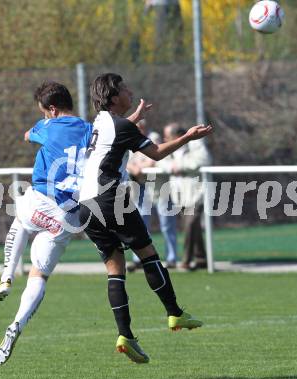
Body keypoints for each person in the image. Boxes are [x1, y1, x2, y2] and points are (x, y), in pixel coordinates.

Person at [0, 81, 147, 366]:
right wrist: (133, 118)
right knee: (39, 275)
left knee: (20, 221)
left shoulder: (48, 126)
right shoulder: (91, 129)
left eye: (44, 111)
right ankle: (17, 323)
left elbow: (28, 135)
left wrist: (38, 130)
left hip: (42, 199)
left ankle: (6, 276)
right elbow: (113, 134)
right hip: (69, 216)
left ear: (51, 109)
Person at [78, 73, 213, 364]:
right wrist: (188, 136)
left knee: (115, 269)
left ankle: (125, 335)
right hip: (110, 198)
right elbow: (157, 153)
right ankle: (175, 314)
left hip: (85, 204)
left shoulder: (98, 124)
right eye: (125, 88)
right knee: (149, 255)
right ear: (115, 98)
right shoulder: (122, 126)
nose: (130, 91)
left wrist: (134, 115)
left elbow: (118, 133)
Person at [159, 122, 211, 270]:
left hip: (196, 192)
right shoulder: (169, 148)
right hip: (179, 194)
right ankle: (201, 258)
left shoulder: (195, 143)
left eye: (167, 136)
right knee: (192, 227)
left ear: (177, 136)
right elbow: (160, 161)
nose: (165, 139)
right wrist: (171, 167)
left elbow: (203, 160)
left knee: (190, 225)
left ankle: (186, 260)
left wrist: (179, 166)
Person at [127, 120, 178, 271]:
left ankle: (172, 257)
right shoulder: (129, 138)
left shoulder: (153, 137)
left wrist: (140, 167)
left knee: (166, 224)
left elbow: (155, 157)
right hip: (139, 187)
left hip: (158, 187)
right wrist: (134, 168)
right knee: (140, 225)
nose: (139, 129)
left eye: (141, 126)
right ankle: (140, 259)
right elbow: (125, 161)